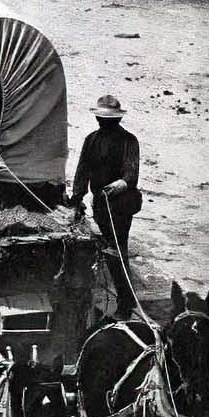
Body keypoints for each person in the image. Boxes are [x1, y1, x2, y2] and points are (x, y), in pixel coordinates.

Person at [70, 95, 142, 319]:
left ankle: (125, 302)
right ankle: (117, 296)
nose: (104, 122)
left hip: (120, 206)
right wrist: (77, 197)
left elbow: (131, 175)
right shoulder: (91, 139)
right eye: (101, 118)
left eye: (108, 119)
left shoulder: (129, 141)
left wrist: (118, 185)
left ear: (117, 120)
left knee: (117, 251)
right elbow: (82, 170)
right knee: (106, 249)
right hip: (99, 204)